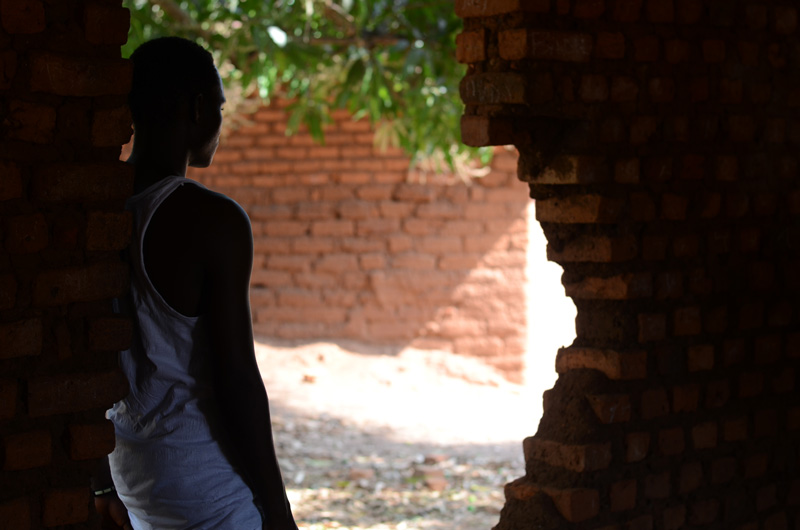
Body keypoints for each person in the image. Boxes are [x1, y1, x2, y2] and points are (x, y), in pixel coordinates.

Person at [92, 37, 298, 530]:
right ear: (199, 107)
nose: (221, 123)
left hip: (134, 480)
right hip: (208, 487)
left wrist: (100, 483)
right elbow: (238, 382)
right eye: (221, 106)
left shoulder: (94, 208)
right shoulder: (212, 220)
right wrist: (278, 510)